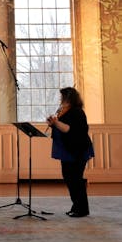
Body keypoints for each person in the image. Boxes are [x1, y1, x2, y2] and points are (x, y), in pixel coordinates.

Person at [46, 87, 94, 218]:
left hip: (77, 149)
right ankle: (76, 206)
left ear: (69, 98)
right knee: (69, 178)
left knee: (75, 179)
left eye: (62, 97)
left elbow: (68, 129)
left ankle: (82, 209)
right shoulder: (65, 111)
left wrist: (56, 123)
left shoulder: (76, 112)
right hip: (68, 150)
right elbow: (62, 126)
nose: (60, 99)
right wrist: (54, 123)